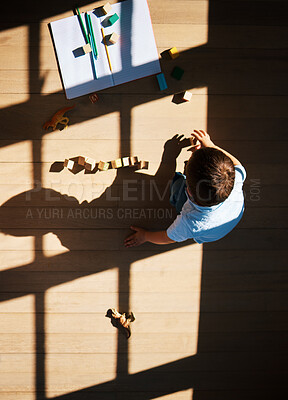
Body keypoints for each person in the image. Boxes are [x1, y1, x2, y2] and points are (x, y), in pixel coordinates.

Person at [124, 130, 246, 247]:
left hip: (206, 231)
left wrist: (145, 236)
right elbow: (237, 164)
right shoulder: (235, 177)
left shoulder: (191, 223)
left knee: (177, 187)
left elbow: (167, 238)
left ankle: (180, 187)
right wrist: (210, 146)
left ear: (188, 191)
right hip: (227, 218)